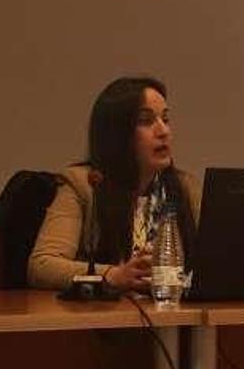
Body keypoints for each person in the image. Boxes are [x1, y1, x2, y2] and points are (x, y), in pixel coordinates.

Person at [28, 77, 200, 291]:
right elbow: (43, 265)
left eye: (165, 119)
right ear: (118, 134)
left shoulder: (185, 187)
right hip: (104, 319)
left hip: (174, 316)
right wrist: (113, 275)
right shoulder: (85, 185)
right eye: (146, 121)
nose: (163, 131)